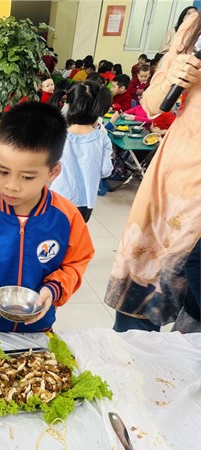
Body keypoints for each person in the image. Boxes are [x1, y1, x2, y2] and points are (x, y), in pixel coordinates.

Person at [0, 102, 94, 332]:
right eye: (3, 171)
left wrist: (54, 288)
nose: (11, 186)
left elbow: (75, 263)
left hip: (37, 325)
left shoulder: (67, 217)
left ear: (53, 172)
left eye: (26, 177)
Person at [104, 11, 201, 332]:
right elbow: (152, 104)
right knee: (143, 293)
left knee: (192, 315)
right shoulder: (194, 26)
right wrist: (176, 73)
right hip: (178, 178)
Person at [50, 81, 113, 223]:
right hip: (85, 202)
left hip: (58, 196)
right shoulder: (102, 139)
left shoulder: (57, 135)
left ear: (69, 105)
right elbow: (106, 171)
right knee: (77, 233)